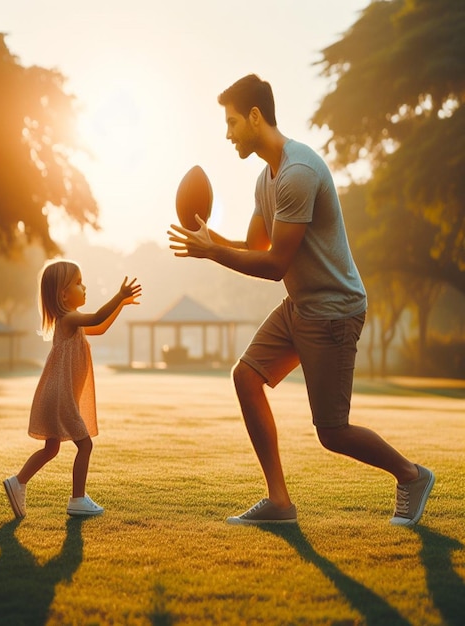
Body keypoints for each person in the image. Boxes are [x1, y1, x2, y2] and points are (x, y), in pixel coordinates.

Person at [168, 74, 434, 527]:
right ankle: (279, 503)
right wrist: (210, 239)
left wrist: (212, 253)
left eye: (232, 122)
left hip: (333, 310)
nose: (227, 133)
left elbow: (274, 266)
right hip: (300, 306)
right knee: (246, 378)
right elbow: (256, 246)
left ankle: (411, 475)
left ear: (256, 117)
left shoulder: (298, 173)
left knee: (332, 432)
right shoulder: (265, 179)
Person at [3, 260, 141, 518]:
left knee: (51, 448)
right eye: (78, 282)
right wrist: (118, 295)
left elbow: (99, 327)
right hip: (61, 396)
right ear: (63, 294)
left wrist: (121, 305)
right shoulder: (69, 318)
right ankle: (78, 499)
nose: (84, 286)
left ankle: (18, 482)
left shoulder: (70, 322)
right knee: (85, 445)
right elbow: (98, 316)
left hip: (56, 394)